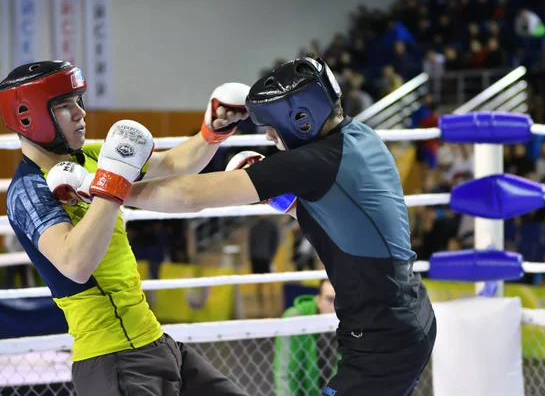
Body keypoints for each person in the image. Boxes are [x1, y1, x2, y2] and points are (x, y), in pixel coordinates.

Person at [57, 56, 437, 395]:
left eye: (272, 127)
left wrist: (107, 187)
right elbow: (343, 220)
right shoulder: (359, 138)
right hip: (406, 315)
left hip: (382, 338)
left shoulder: (314, 161)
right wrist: (285, 202)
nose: (270, 137)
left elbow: (192, 194)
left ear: (300, 118)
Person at [0, 60, 249, 396]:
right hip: (112, 359)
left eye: (78, 101)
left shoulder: (90, 158)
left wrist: (212, 131)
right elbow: (74, 263)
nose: (80, 113)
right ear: (27, 116)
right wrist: (111, 184)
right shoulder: (28, 189)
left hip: (153, 338)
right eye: (63, 106)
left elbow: (175, 164)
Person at [274, 279, 337, 396]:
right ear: (318, 300)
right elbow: (285, 374)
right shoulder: (295, 319)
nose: (335, 307)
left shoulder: (353, 323)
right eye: (330, 299)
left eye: (341, 300)